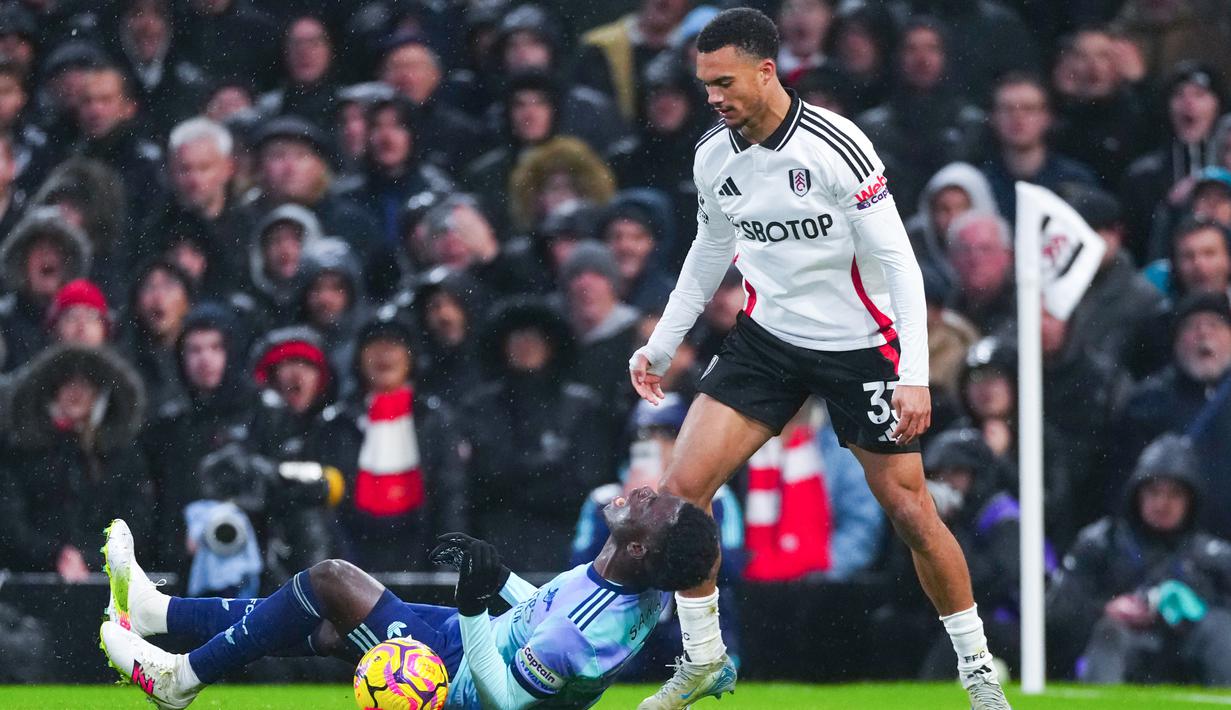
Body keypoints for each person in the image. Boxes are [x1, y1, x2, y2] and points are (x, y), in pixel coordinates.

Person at [628, 10, 1009, 709]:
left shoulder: (837, 147)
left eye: (723, 81)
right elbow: (709, 250)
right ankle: (705, 659)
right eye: (703, 83)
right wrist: (661, 343)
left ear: (765, 71)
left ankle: (978, 670)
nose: (711, 97)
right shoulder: (713, 154)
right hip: (767, 341)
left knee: (910, 510)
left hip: (860, 346)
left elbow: (899, 261)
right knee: (679, 500)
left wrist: (913, 375)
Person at [98, 485, 719, 708]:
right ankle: (159, 613)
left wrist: (475, 607)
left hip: (455, 679)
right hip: (466, 637)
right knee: (319, 624)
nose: (643, 492)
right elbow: (548, 611)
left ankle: (180, 678)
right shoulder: (642, 593)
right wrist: (497, 579)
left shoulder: (576, 635)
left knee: (329, 580)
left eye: (652, 507)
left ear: (640, 549)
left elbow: (503, 700)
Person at [1047, 434, 1231, 685]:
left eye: (1174, 494)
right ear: (1137, 494)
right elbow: (1056, 613)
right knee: (1111, 631)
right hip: (1122, 647)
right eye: (1154, 491)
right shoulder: (1102, 543)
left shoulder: (1212, 555)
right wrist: (1105, 608)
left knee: (1220, 629)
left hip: (1190, 654)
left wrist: (1202, 610)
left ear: (1191, 499)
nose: (1162, 503)